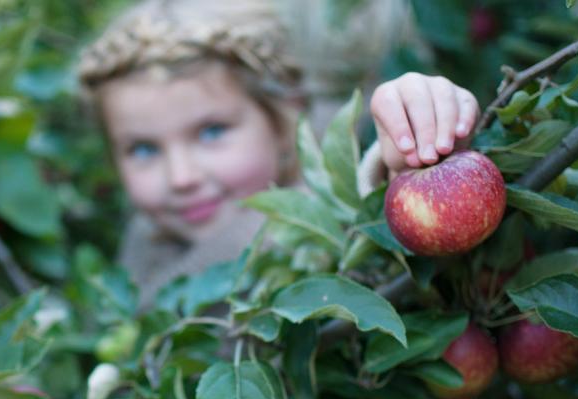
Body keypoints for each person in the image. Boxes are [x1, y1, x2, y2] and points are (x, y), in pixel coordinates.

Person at [77, 0, 479, 308]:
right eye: (143, 149)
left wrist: (412, 155)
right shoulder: (143, 247)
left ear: (283, 120)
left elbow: (363, 212)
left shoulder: (320, 232)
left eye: (212, 131)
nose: (181, 177)